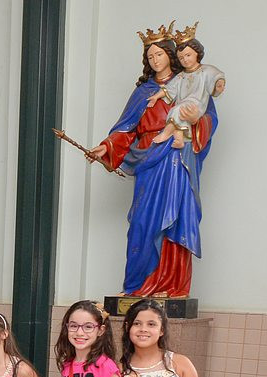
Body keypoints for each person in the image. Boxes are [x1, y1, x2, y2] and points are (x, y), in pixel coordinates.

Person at [88, 27, 219, 297]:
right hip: (149, 157)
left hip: (177, 159)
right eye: (150, 56)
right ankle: (137, 287)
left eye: (159, 54)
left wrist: (195, 120)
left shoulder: (190, 83)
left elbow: (209, 119)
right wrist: (107, 147)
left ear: (171, 55)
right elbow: (126, 129)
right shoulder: (143, 92)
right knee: (142, 222)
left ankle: (172, 286)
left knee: (174, 219)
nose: (155, 60)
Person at [148, 31, 225, 150]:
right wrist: (156, 96)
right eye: (181, 58)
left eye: (188, 55)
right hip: (182, 105)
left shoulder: (205, 71)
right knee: (179, 115)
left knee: (176, 110)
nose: (185, 60)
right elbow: (170, 89)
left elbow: (216, 77)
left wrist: (218, 85)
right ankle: (179, 139)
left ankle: (166, 133)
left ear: (197, 53)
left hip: (195, 104)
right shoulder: (181, 76)